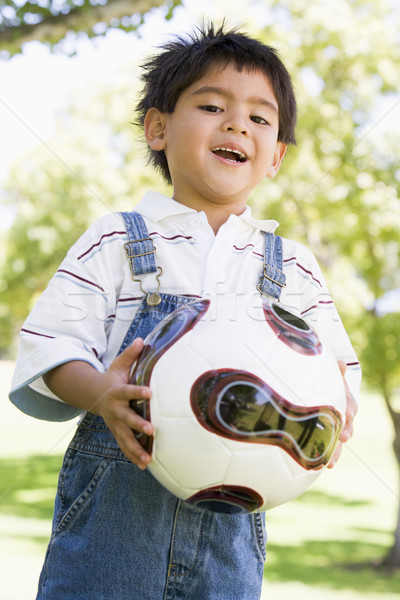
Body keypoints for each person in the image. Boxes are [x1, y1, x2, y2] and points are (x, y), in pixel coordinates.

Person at [9, 24, 360, 600]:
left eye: (260, 118)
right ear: (157, 128)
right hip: (110, 535)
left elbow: (336, 370)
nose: (237, 124)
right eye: (213, 105)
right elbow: (51, 345)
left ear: (275, 157)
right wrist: (99, 391)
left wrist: (333, 412)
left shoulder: (292, 266)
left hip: (231, 531)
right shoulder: (117, 240)